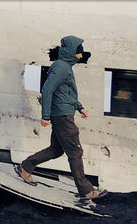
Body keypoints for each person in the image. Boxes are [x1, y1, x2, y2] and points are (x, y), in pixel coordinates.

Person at [17, 35, 106, 201]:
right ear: (71, 52)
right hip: (63, 117)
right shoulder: (61, 67)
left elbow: (66, 94)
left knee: (56, 150)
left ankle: (26, 167)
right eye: (79, 52)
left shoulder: (65, 67)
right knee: (75, 151)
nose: (81, 55)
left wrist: (80, 107)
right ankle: (86, 190)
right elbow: (47, 90)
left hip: (64, 114)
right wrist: (45, 116)